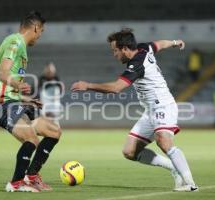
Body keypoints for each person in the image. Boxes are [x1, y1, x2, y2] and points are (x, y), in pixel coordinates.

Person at [71, 29, 198, 192]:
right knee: (130, 151)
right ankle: (174, 168)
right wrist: (174, 43)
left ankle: (190, 183)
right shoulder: (144, 47)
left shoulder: (137, 63)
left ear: (124, 48)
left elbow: (116, 88)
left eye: (115, 51)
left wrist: (87, 85)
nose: (114, 54)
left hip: (163, 106)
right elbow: (159, 44)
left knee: (163, 141)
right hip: (150, 110)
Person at [0, 11, 61, 192]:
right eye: (41, 31)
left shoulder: (21, 46)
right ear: (35, 28)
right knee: (32, 140)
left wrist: (27, 99)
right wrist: (17, 85)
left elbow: (7, 81)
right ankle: (16, 183)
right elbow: (2, 73)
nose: (40, 36)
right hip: (2, 104)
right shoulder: (15, 42)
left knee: (54, 132)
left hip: (14, 101)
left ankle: (32, 176)